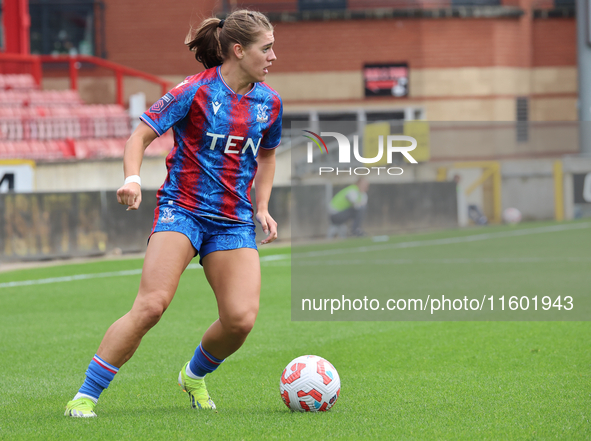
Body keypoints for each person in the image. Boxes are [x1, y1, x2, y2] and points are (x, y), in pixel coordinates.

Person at [64, 9, 282, 417]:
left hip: (232, 221)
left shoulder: (269, 103)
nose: (273, 56)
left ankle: (193, 375)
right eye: (266, 48)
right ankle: (86, 395)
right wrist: (132, 178)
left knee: (240, 321)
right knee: (151, 305)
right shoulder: (194, 91)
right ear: (238, 50)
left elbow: (267, 157)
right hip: (182, 210)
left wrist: (263, 206)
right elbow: (141, 135)